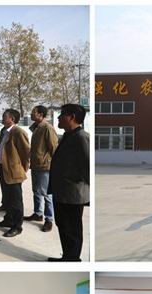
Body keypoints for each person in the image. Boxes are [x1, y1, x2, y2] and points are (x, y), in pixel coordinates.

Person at [48, 103, 90, 262]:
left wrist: (87, 194)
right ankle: (67, 257)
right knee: (64, 226)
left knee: (72, 229)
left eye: (62, 114)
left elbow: (87, 166)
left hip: (73, 194)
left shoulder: (81, 137)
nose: (58, 117)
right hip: (62, 192)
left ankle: (72, 259)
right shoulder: (68, 135)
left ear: (72, 117)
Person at [0, 108, 30, 238]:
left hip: (13, 171)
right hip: (2, 169)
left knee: (16, 201)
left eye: (5, 116)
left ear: (12, 119)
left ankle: (17, 226)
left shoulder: (18, 132)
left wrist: (21, 168)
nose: (2, 118)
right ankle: (8, 219)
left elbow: (26, 152)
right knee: (7, 198)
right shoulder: (4, 131)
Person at [26, 105, 58, 231]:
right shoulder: (36, 128)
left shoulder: (47, 128)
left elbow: (54, 148)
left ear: (40, 115)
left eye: (33, 112)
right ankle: (38, 213)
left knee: (46, 193)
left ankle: (49, 219)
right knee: (36, 191)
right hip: (35, 165)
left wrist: (53, 165)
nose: (31, 114)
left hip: (45, 166)